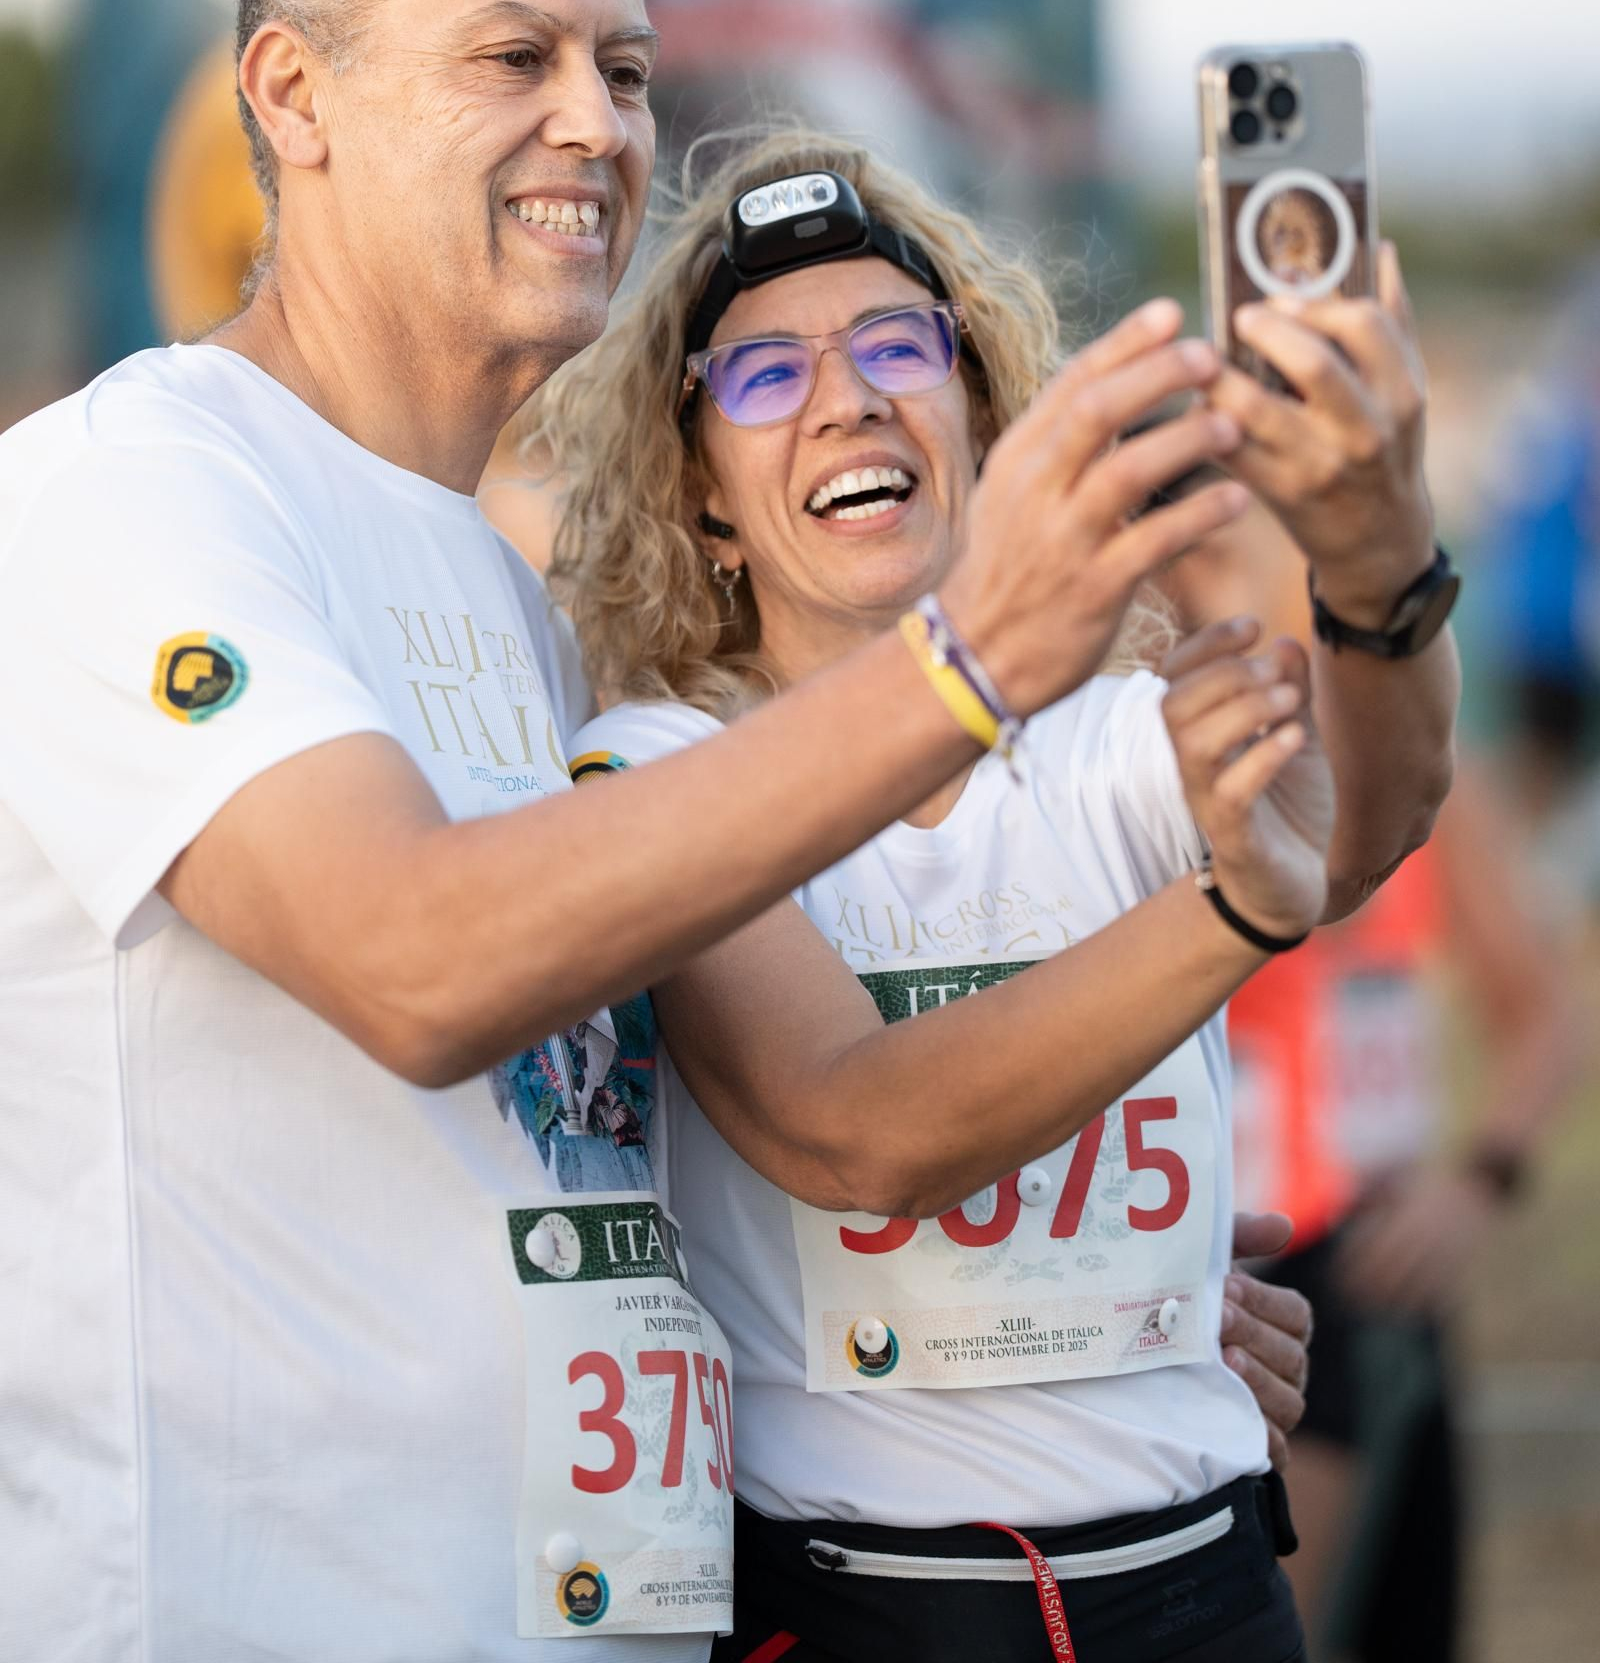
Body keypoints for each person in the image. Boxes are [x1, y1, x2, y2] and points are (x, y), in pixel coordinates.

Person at [0, 0, 1337, 1663]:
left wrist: (1091, 1305)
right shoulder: (133, 490)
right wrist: (962, 664)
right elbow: (419, 959)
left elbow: (600, 1150)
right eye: (513, 58)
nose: (596, 122)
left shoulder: (506, 598)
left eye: (626, 72)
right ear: (291, 98)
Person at [530, 126, 1459, 1663]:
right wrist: (1232, 908)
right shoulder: (654, 767)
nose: (846, 396)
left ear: (978, 410)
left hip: (1208, 1589)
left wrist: (1378, 559)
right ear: (701, 498)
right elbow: (859, 1131)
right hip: (864, 1608)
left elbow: (1368, 817)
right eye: (764, 378)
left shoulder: (1112, 737)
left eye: (898, 344)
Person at [1161, 493, 1584, 1663]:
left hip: (1381, 1270)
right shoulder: (1138, 761)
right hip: (1237, 1278)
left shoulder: (1420, 757)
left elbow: (1544, 1013)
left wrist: (1476, 1184)